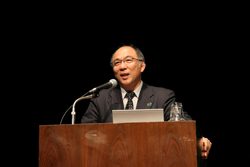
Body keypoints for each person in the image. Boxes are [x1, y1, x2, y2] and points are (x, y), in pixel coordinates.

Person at [81, 44, 212, 159]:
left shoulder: (163, 96)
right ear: (114, 72)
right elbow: (84, 134)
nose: (122, 66)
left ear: (142, 66)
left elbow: (184, 125)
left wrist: (198, 140)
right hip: (112, 160)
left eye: (128, 60)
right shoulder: (100, 99)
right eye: (117, 63)